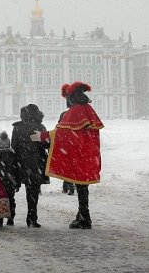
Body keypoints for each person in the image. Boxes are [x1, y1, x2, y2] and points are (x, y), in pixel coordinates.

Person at [33, 82, 104, 229]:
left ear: (72, 98)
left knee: (81, 187)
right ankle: (83, 215)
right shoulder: (88, 109)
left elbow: (62, 134)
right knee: (83, 187)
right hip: (89, 154)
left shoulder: (75, 111)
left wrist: (42, 136)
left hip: (79, 155)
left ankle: (84, 218)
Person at [11, 103, 48, 228]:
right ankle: (32, 218)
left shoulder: (17, 127)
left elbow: (13, 146)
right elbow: (47, 145)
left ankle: (10, 216)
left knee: (14, 190)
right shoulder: (40, 127)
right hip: (37, 162)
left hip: (21, 162)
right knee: (33, 191)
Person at [0, 131, 20, 227]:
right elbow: (17, 171)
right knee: (11, 200)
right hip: (10, 182)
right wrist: (17, 183)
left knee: (0, 200)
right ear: (9, 144)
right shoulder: (14, 156)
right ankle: (10, 219)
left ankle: (0, 220)